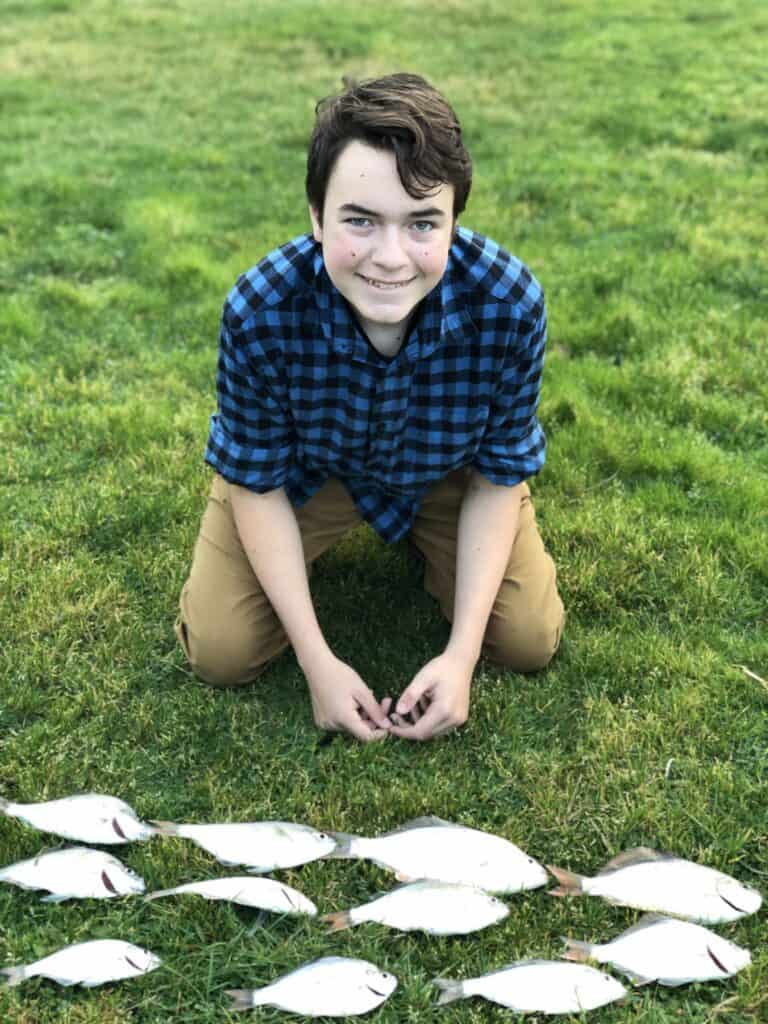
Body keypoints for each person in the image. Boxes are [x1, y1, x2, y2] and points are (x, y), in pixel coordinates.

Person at [175, 73, 564, 742]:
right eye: (360, 220)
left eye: (422, 224)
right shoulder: (258, 311)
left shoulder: (510, 303)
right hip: (305, 474)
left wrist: (462, 655)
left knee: (527, 640)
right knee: (221, 651)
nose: (390, 258)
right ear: (316, 218)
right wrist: (317, 661)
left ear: (453, 223)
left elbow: (500, 475)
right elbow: (256, 479)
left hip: (449, 474)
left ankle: (432, 545)